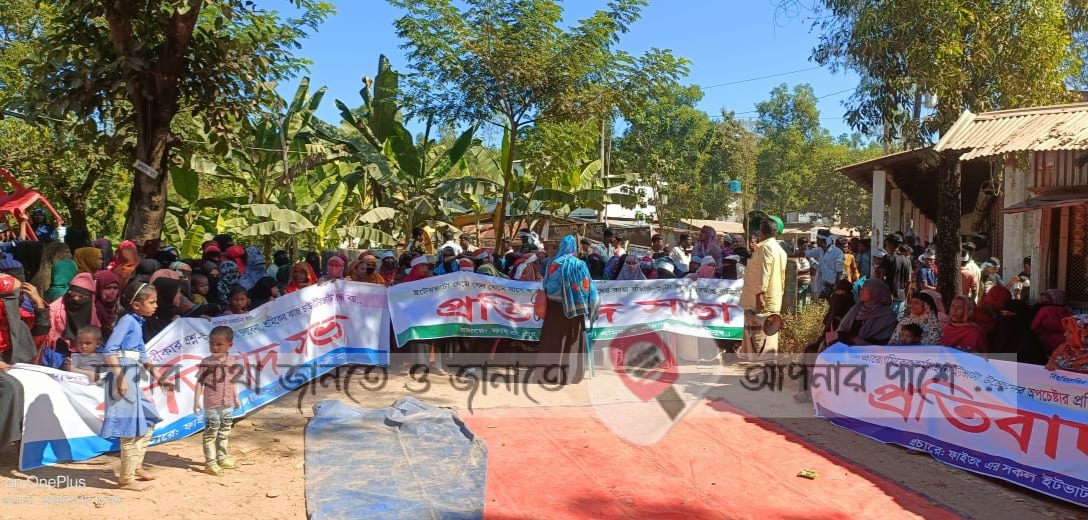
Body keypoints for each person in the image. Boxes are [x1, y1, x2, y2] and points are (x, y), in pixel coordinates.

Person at [101, 282, 175, 491]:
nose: (156, 306)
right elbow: (110, 350)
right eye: (152, 302)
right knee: (129, 427)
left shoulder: (136, 322)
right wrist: (120, 377)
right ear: (136, 305)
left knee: (149, 418)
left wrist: (159, 377)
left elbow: (142, 354)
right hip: (124, 374)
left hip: (131, 374)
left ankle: (135, 466)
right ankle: (126, 479)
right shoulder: (127, 322)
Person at [539, 235, 598, 385]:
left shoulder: (552, 263)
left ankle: (549, 373)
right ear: (574, 248)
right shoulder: (579, 264)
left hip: (554, 308)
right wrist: (592, 304)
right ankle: (571, 374)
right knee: (572, 340)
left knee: (552, 339)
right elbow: (587, 286)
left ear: (561, 246)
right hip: (574, 309)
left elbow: (546, 285)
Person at [193, 325, 242, 476]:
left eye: (219, 344)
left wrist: (236, 397)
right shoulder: (206, 362)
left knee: (224, 431)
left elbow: (233, 381)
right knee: (210, 433)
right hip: (212, 405)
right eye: (211, 344)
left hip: (227, 404)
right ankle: (210, 463)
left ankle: (222, 457)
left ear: (229, 344)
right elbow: (200, 382)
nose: (214, 347)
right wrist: (196, 401)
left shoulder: (232, 361)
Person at [740, 218, 788, 359]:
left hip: (760, 299)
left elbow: (764, 272)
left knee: (760, 337)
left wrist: (759, 295)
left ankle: (760, 365)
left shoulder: (765, 248)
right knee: (769, 333)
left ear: (761, 232)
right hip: (773, 297)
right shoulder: (780, 250)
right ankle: (766, 364)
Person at [43, 272, 101, 363]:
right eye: (72, 295)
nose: (76, 299)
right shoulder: (54, 310)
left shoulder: (95, 313)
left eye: (81, 297)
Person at [836, 279, 899, 346]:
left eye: (865, 289)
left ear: (876, 292)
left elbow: (886, 343)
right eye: (861, 288)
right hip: (850, 350)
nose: (861, 291)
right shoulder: (857, 308)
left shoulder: (889, 316)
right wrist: (854, 339)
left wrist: (864, 344)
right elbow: (841, 333)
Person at [1032, 289, 1072, 356]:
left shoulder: (1045, 310)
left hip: (1046, 344)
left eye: (1047, 298)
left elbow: (1034, 327)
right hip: (1065, 344)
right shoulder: (1067, 311)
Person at [93, 270, 121, 338]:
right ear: (98, 287)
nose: (112, 292)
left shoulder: (118, 308)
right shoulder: (94, 309)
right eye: (108, 288)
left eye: (115, 288)